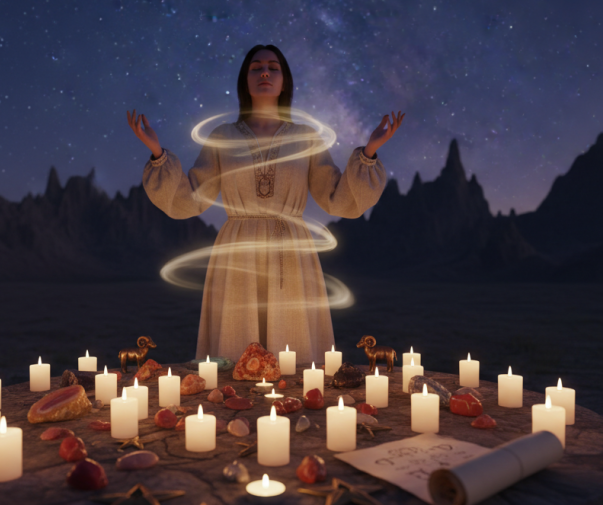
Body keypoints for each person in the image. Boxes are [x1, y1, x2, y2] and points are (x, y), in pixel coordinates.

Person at [126, 44, 404, 365]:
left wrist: (368, 152)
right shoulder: (223, 136)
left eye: (273, 67)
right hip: (237, 250)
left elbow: (338, 197)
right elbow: (189, 198)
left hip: (292, 251)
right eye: (255, 67)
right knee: (235, 348)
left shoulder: (306, 137)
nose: (264, 73)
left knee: (293, 357)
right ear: (245, 80)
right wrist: (158, 153)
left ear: (284, 81)